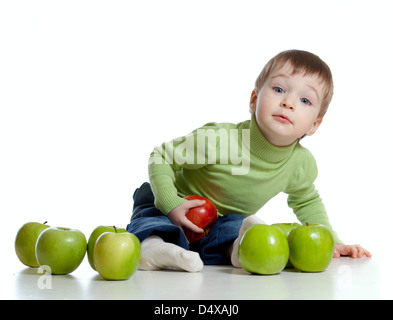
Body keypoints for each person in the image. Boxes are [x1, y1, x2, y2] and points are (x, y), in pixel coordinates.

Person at [127, 49, 371, 272]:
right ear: (254, 100)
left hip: (219, 221)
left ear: (314, 125)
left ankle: (239, 249)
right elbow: (161, 157)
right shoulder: (222, 140)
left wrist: (334, 240)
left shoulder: (300, 164)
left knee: (233, 226)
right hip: (177, 201)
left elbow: (307, 202)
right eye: (279, 89)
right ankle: (152, 248)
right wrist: (170, 201)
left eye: (305, 100)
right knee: (152, 216)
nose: (288, 102)